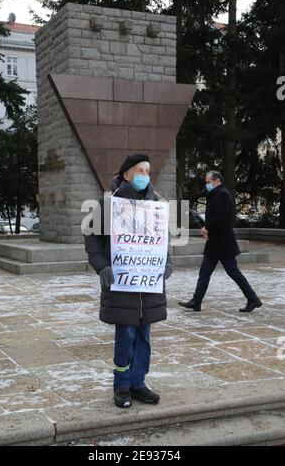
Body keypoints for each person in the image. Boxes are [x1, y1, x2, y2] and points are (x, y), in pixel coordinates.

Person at [85, 153, 174, 408]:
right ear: (126, 174)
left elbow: (162, 240)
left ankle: (138, 382)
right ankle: (122, 385)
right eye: (139, 170)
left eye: (148, 170)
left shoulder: (156, 204)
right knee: (125, 335)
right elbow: (90, 236)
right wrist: (101, 265)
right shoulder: (109, 204)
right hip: (122, 285)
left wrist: (166, 262)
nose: (145, 175)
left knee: (144, 336)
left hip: (148, 286)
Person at [178, 171, 262, 313]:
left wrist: (206, 227)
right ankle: (196, 301)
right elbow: (214, 216)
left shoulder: (222, 194)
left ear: (216, 181)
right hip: (215, 242)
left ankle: (253, 299)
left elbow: (220, 217)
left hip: (223, 243)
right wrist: (207, 228)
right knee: (204, 272)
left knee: (233, 272)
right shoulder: (216, 193)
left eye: (208, 181)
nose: (207, 184)